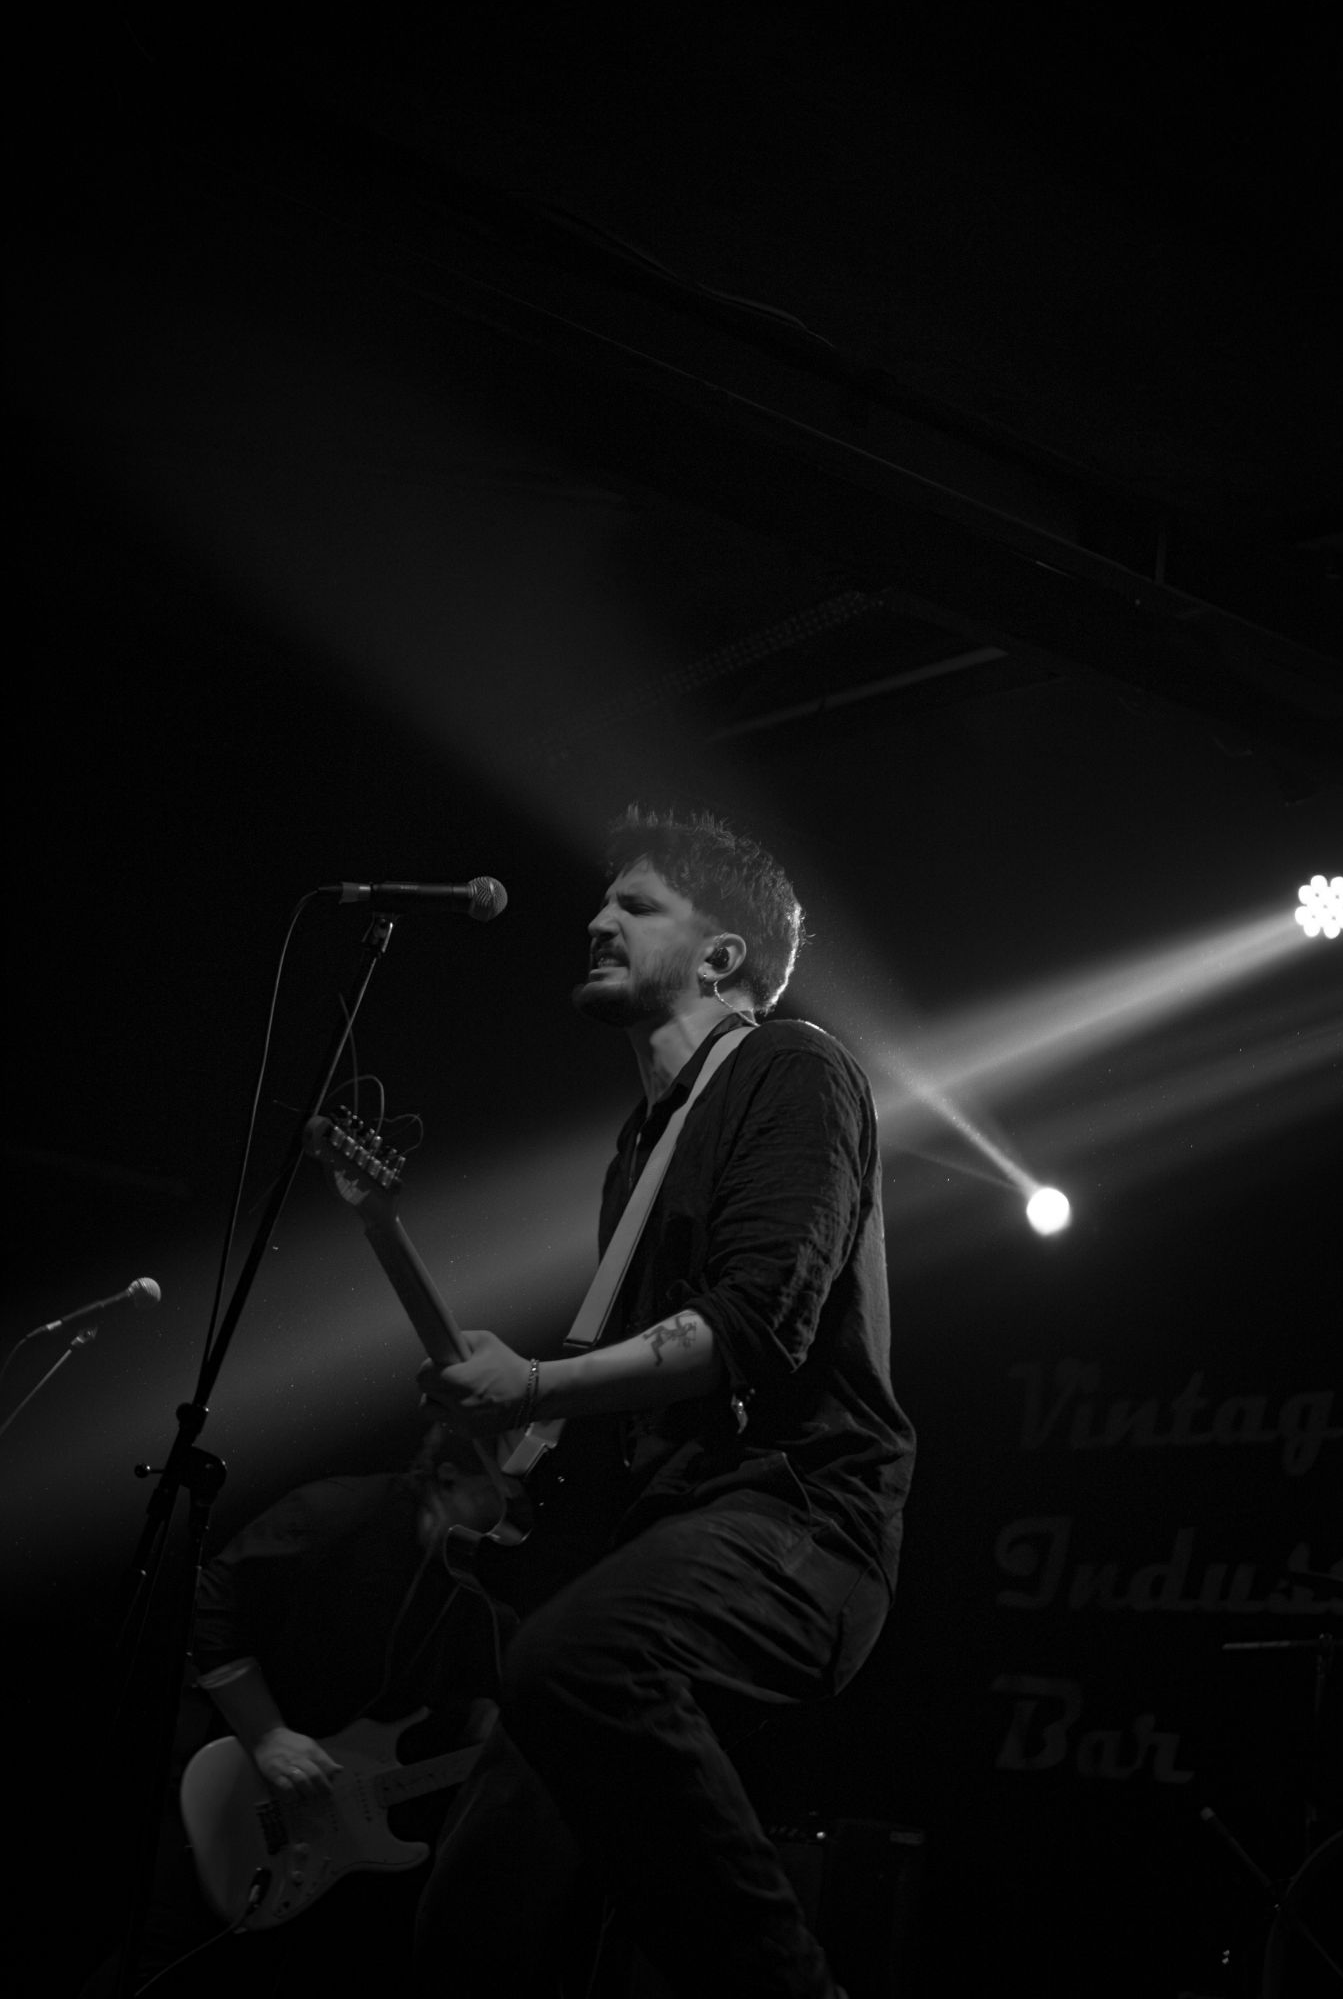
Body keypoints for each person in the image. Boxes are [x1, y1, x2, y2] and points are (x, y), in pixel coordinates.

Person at [412, 806, 915, 1999]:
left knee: (579, 1661)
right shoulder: (639, 1145)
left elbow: (754, 1328)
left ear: (723, 954)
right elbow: (643, 1404)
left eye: (636, 906)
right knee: (474, 1915)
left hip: (798, 1523)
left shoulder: (794, 1068)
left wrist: (536, 1381)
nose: (597, 920)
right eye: (604, 900)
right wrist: (521, 1455)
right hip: (663, 1528)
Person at [79, 1424, 507, 1998]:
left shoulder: (468, 1574)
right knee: (166, 1955)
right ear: (450, 1477)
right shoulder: (335, 1511)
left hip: (326, 1813)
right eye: (503, 1493)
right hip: (232, 1770)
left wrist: (482, 1719)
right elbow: (210, 1608)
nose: (515, 1513)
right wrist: (267, 1734)